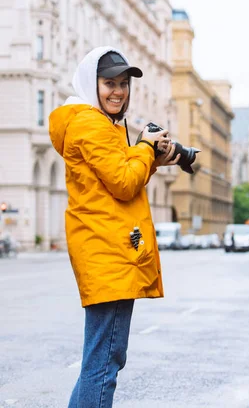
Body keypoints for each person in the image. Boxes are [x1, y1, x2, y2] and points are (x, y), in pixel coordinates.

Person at [49, 46, 180, 408]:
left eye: (123, 84)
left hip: (109, 249)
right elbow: (124, 183)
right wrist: (144, 149)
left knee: (102, 359)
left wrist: (152, 159)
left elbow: (116, 183)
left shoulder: (95, 123)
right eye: (109, 83)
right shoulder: (91, 124)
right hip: (109, 253)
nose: (118, 91)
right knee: (104, 361)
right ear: (92, 84)